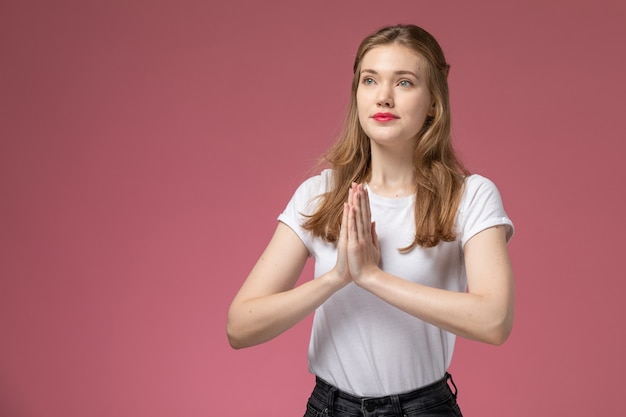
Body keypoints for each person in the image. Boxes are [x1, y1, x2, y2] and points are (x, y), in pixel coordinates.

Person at [227, 23, 514, 417]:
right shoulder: (321, 194)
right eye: (370, 80)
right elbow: (240, 327)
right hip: (328, 407)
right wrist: (336, 278)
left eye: (405, 83)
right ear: (357, 94)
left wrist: (373, 277)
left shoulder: (470, 196)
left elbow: (494, 320)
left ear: (434, 102)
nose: (383, 96)